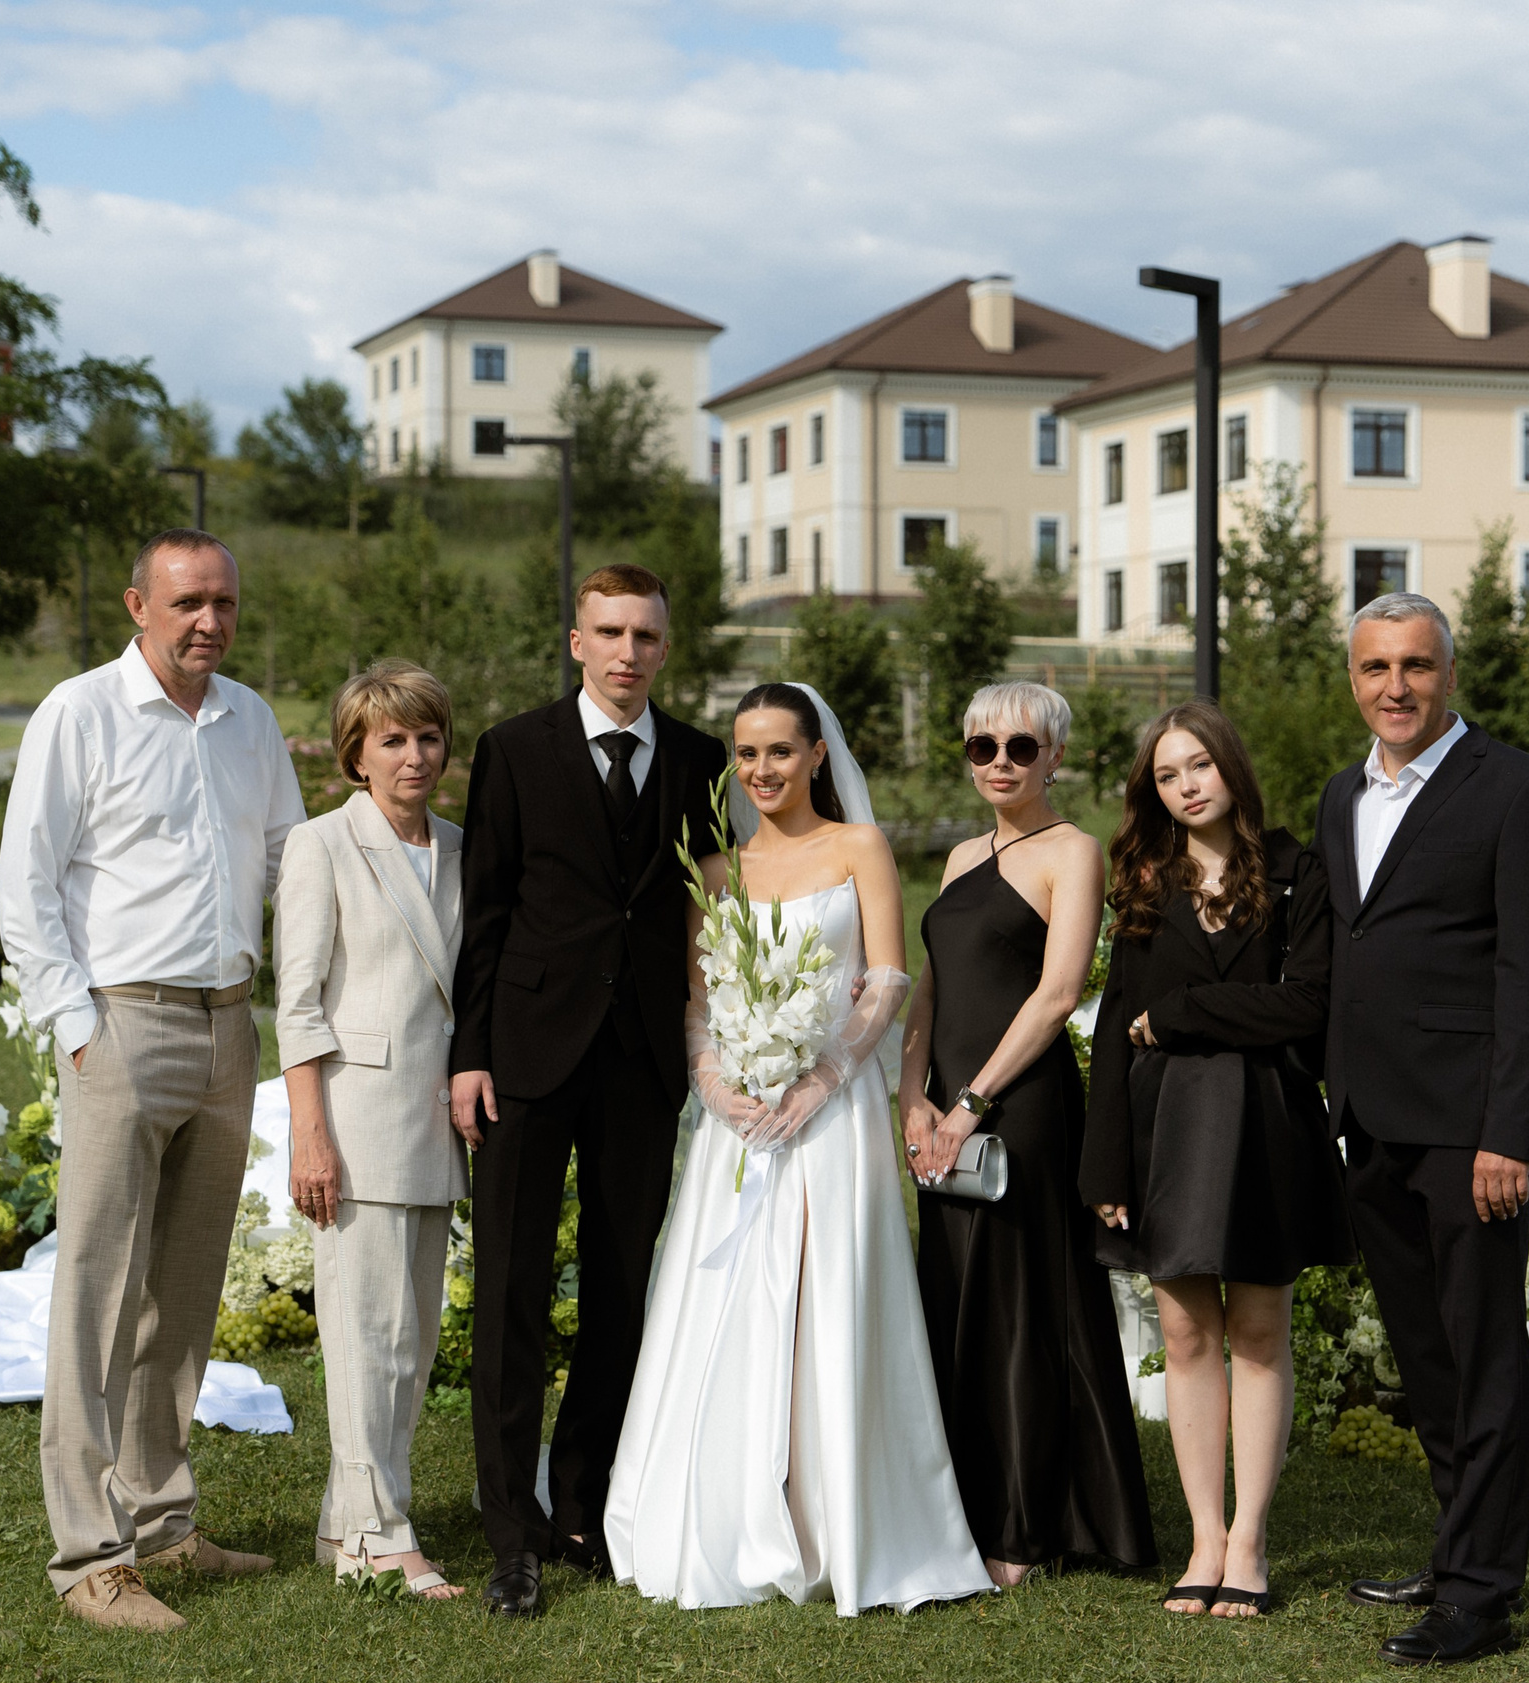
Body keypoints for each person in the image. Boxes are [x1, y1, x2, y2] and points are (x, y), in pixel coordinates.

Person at [605, 682, 992, 1615]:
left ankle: (837, 1517)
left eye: (781, 750)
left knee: (831, 1293)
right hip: (738, 1118)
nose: (762, 770)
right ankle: (723, 1501)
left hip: (833, 1111)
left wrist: (822, 1075)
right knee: (723, 1295)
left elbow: (890, 974)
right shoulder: (719, 868)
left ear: (819, 754)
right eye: (746, 754)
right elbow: (701, 997)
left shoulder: (857, 847)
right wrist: (715, 1081)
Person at [0, 528, 304, 1631]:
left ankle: (164, 1523)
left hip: (229, 1033)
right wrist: (77, 1032)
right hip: (120, 1030)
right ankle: (89, 1554)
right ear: (138, 605)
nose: (208, 622)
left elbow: (290, 865)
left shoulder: (251, 721)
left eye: (222, 602)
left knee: (183, 1290)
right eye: (186, 603)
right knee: (95, 1293)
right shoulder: (78, 715)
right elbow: (25, 887)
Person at [447, 564, 731, 1620]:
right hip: (522, 1057)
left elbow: (714, 911)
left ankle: (583, 1505)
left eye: (645, 636)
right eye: (608, 632)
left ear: (665, 646)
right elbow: (485, 912)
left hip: (642, 1062)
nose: (626, 653)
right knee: (512, 1294)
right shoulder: (512, 751)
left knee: (621, 1291)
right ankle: (509, 1531)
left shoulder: (702, 760)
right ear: (576, 641)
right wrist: (468, 1054)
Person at [1313, 591, 1529, 1668]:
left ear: (1448, 674)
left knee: (1480, 1357)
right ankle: (1453, 1543)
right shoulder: (1344, 796)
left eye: (1415, 666)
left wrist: (1508, 1133)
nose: (1395, 687)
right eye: (1375, 668)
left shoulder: (1520, 792)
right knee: (1424, 1357)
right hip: (1371, 1122)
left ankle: (1480, 1595)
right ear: (1353, 679)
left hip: (1471, 1133)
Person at [1082, 702, 1345, 1620]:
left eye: (1199, 764)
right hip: (1165, 1127)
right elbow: (1119, 1025)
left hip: (1265, 1119)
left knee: (1260, 1331)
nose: (1187, 784)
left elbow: (1306, 1006)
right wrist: (1104, 1165)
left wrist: (1188, 1013)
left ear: (1231, 766)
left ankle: (1250, 1540)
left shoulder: (1296, 871)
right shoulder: (1143, 882)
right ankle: (1202, 1536)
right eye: (1166, 774)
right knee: (1187, 1335)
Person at [902, 682, 1156, 1588]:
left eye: (1019, 746)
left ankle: (1023, 1525)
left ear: (1054, 756)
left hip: (1026, 1110)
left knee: (1019, 1312)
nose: (1000, 762)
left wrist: (969, 1100)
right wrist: (913, 1098)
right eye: (982, 747)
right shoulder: (960, 854)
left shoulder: (1073, 852)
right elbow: (927, 990)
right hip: (943, 1117)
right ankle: (959, 1509)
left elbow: (1057, 994)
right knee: (956, 1300)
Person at [274, 662, 466, 1600]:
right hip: (355, 1124)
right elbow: (299, 1005)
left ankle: (342, 1526)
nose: (414, 755)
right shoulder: (321, 846)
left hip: (437, 1124)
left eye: (427, 737)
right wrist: (311, 1136)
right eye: (392, 739)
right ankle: (382, 1536)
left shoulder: (464, 848)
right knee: (363, 1338)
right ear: (356, 753)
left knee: (410, 1341)